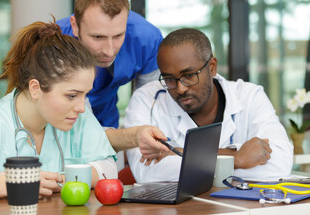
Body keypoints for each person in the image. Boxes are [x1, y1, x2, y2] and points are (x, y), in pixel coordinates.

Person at [0, 19, 117, 202]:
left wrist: (60, 180)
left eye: (85, 95)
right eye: (71, 95)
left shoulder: (78, 117)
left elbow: (108, 168)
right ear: (35, 88)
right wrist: (11, 182)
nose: (80, 107)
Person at [124, 28, 293, 183]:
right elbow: (146, 173)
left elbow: (279, 164)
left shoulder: (249, 97)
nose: (181, 89)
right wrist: (237, 158)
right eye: (169, 79)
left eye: (189, 75)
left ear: (212, 67)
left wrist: (178, 152)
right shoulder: (146, 99)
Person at [57, 0, 169, 157]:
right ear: (75, 26)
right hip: (60, 132)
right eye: (98, 37)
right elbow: (82, 131)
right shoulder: (54, 44)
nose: (109, 51)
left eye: (118, 35)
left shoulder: (146, 38)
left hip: (109, 121)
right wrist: (132, 137)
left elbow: (150, 106)